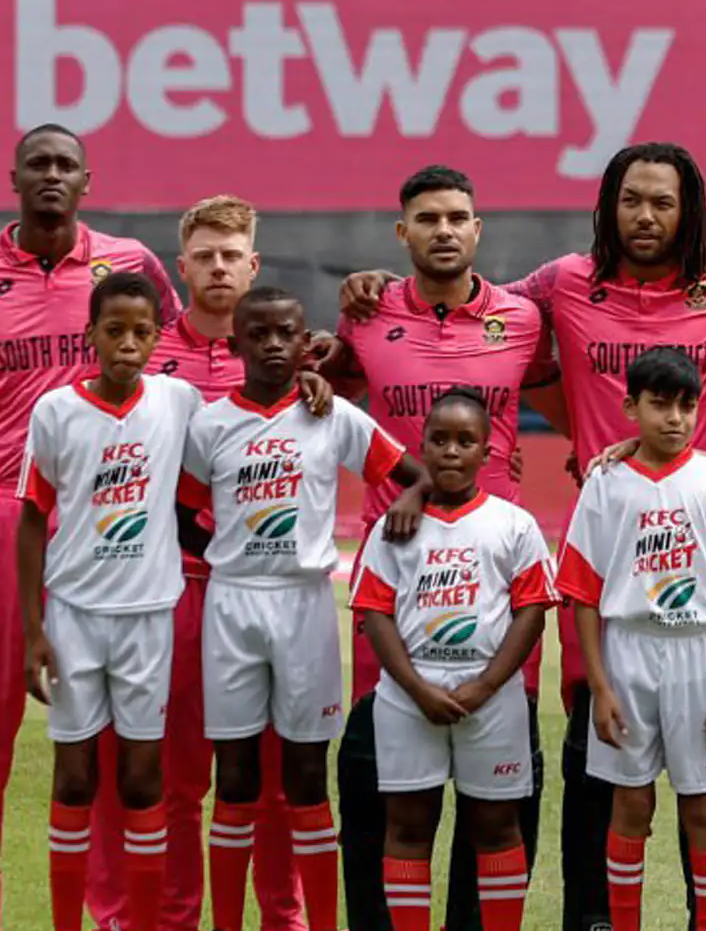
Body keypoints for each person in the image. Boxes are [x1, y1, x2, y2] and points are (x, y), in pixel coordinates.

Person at [342, 142, 706, 931]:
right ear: (608, 204)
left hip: (700, 558)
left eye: (664, 202)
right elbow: (477, 321)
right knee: (598, 744)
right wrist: (379, 288)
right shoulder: (559, 286)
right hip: (603, 547)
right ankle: (594, 918)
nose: (647, 216)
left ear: (691, 210)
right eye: (632, 200)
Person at [0, 195, 311, 931]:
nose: (218, 267)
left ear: (253, 265)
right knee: (165, 776)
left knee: (270, 773)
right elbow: (68, 425)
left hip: (261, 590)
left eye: (231, 255)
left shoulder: (287, 355)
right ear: (179, 270)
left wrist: (327, 371)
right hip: (167, 590)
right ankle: (164, 917)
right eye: (204, 255)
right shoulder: (155, 357)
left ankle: (285, 916)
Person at [0, 124, 181, 931]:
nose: (53, 176)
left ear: (88, 180)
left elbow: (187, 361)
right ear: (14, 178)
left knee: (100, 740)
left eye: (67, 165)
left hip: (110, 519)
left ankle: (112, 915)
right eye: (39, 164)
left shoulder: (131, 267)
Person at [314, 165, 561, 931]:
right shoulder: (367, 313)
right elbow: (324, 395)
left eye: (458, 217)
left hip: (496, 571)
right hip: (396, 570)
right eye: (428, 218)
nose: (444, 230)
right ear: (403, 234)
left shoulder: (521, 319)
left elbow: (570, 397)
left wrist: (611, 450)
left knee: (497, 798)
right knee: (384, 786)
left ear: (478, 230)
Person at [178, 285, 427, 931]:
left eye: (284, 333)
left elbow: (416, 475)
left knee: (306, 779)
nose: (271, 345)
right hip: (232, 608)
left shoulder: (332, 415)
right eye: (257, 335)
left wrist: (408, 501)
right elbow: (180, 516)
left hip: (306, 605)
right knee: (233, 781)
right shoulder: (209, 424)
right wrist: (232, 554)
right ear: (235, 344)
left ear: (304, 340)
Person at [17, 272, 203, 931]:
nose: (128, 344)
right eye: (114, 330)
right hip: (72, 619)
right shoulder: (55, 412)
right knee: (73, 778)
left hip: (148, 617)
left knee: (142, 778)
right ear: (90, 333)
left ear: (158, 337)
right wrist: (33, 628)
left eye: (142, 332)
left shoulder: (180, 400)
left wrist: (312, 388)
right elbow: (33, 518)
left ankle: (144, 922)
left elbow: (238, 439)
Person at [561, 347, 706, 931]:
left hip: (701, 654)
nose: (674, 418)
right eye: (659, 405)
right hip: (628, 653)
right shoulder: (605, 484)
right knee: (631, 803)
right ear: (631, 407)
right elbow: (584, 595)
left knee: (703, 806)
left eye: (686, 406)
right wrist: (599, 685)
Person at [348, 387, 555, 931]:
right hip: (409, 695)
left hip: (491, 697)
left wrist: (486, 687)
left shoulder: (514, 524)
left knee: (496, 825)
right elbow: (375, 613)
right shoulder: (394, 529)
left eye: (466, 441)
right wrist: (417, 688)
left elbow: (531, 612)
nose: (451, 451)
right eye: (439, 440)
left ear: (488, 452)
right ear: (422, 445)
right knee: (409, 825)